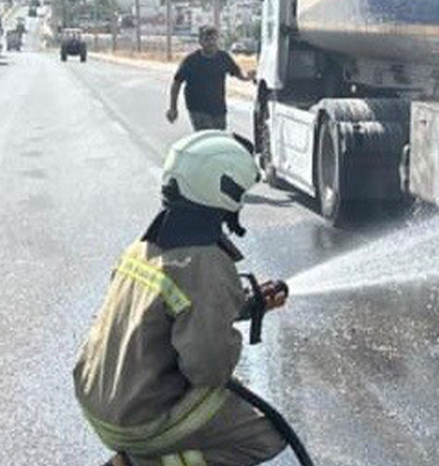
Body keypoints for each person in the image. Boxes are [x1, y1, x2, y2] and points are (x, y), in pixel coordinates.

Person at [74, 131, 290, 466]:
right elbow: (209, 368)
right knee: (264, 436)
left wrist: (243, 304)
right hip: (137, 419)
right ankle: (139, 463)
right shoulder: (204, 261)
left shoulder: (144, 248)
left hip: (99, 401)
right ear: (223, 187)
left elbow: (167, 312)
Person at [167, 26, 254, 131]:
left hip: (219, 109)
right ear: (200, 41)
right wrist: (173, 108)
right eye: (207, 39)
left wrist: (248, 77)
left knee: (218, 141)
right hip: (197, 109)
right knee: (206, 138)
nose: (211, 43)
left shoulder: (223, 57)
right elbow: (176, 83)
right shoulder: (191, 61)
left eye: (213, 39)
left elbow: (237, 73)